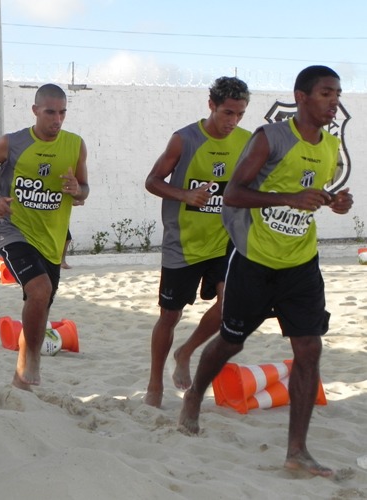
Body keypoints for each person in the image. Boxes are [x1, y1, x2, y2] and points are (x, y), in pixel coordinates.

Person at [179, 65, 352, 477]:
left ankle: (297, 452)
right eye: (326, 93)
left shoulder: (329, 145)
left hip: (300, 264)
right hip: (255, 260)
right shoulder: (269, 137)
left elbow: (312, 192)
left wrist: (333, 202)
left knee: (309, 351)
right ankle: (194, 396)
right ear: (302, 96)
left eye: (338, 93)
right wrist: (289, 197)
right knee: (231, 343)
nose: (334, 101)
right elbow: (234, 194)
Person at [0, 83, 89, 390]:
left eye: (62, 112)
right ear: (35, 110)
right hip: (15, 231)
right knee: (39, 291)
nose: (57, 119)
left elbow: (84, 191)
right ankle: (31, 361)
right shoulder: (13, 143)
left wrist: (78, 190)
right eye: (50, 112)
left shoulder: (75, 145)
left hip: (51, 238)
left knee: (40, 306)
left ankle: (20, 379)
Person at [143, 77, 252, 407]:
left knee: (229, 305)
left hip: (225, 241)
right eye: (228, 113)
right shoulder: (184, 139)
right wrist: (185, 194)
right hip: (183, 243)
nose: (233, 121)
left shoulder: (248, 142)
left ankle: (186, 351)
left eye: (240, 114)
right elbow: (152, 181)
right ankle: (154, 385)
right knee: (169, 316)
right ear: (212, 106)